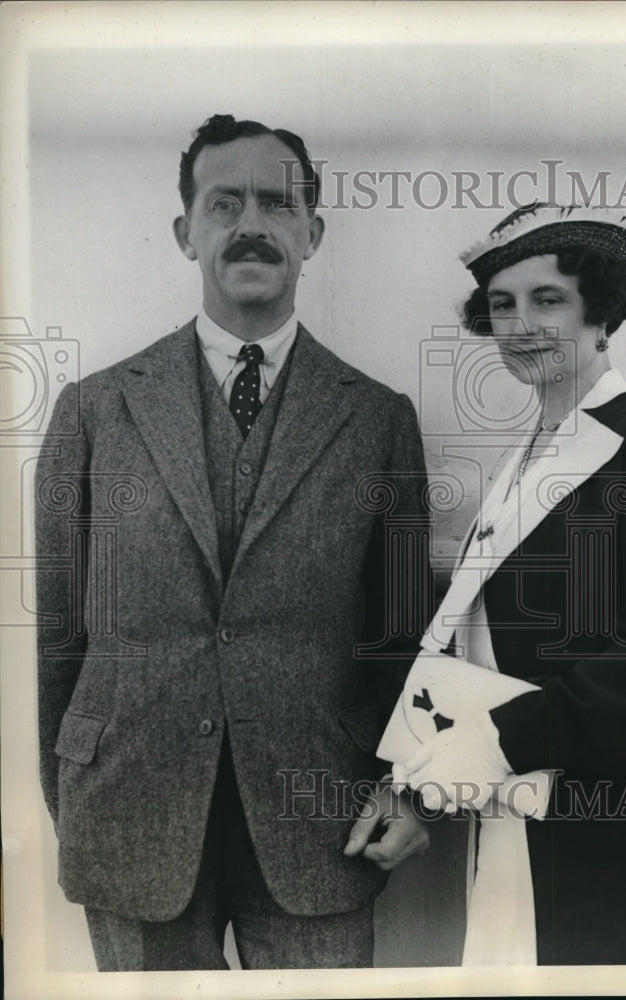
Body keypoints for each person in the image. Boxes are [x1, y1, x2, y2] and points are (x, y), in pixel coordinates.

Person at [35, 113, 430, 971]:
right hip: (129, 815)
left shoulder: (377, 418)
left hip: (323, 820)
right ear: (186, 233)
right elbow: (59, 636)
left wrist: (410, 784)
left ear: (311, 232)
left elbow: (403, 637)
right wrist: (73, 794)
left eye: (277, 203)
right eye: (224, 203)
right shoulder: (95, 410)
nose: (251, 223)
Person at [373, 203, 626, 965]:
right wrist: (414, 786)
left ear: (601, 312)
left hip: (613, 819)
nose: (519, 323)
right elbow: (466, 644)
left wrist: (494, 744)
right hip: (513, 804)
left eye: (547, 299)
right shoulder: (527, 454)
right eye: (502, 304)